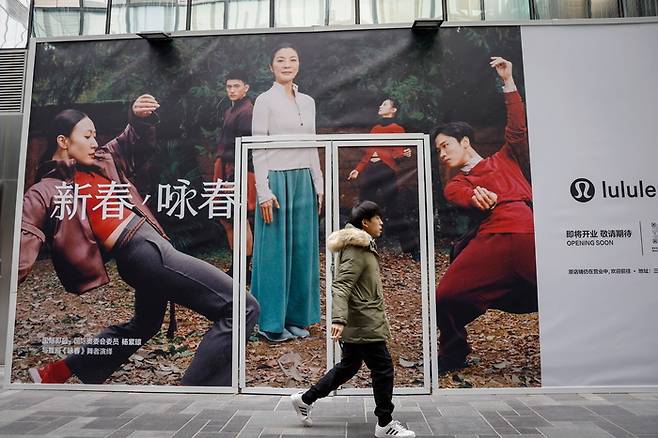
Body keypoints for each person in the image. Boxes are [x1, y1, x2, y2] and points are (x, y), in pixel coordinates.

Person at [19, 94, 260, 386]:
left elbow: (130, 141)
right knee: (242, 307)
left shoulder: (103, 160)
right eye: (87, 135)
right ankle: (197, 393)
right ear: (63, 141)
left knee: (143, 325)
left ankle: (57, 372)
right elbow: (25, 234)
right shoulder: (46, 189)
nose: (95, 142)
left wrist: (139, 117)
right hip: (143, 252)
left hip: (146, 251)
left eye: (95, 135)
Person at [432, 57, 538, 373]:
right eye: (437, 150)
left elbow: (517, 127)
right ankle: (453, 352)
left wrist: (508, 81)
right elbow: (463, 195)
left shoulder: (505, 158)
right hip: (492, 239)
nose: (442, 153)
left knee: (562, 289)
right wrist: (479, 197)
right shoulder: (457, 183)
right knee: (445, 295)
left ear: (465, 142)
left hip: (528, 232)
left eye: (445, 145)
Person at [289, 201, 415, 438]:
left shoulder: (363, 245)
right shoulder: (358, 248)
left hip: (362, 318)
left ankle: (305, 399)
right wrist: (338, 319)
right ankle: (384, 423)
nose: (382, 222)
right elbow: (341, 285)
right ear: (365, 222)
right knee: (383, 368)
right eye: (378, 218)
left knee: (349, 366)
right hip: (363, 320)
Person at [250, 43, 324, 342]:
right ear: (271, 67)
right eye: (280, 60)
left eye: (293, 59)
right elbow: (257, 147)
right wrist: (264, 191)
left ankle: (296, 317)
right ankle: (270, 322)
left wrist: (318, 184)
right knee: (273, 252)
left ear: (299, 65)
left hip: (303, 178)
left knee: (302, 249)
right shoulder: (264, 101)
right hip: (276, 180)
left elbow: (312, 144)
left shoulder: (308, 101)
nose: (287, 64)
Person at [347, 98, 418, 260]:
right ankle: (359, 248)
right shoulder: (375, 128)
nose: (380, 106)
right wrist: (358, 170)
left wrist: (406, 153)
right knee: (363, 210)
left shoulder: (397, 128)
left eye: (385, 104)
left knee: (395, 210)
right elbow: (368, 154)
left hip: (386, 170)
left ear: (393, 110)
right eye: (381, 104)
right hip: (370, 171)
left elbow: (397, 152)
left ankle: (413, 249)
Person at [213, 70, 256, 279]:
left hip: (239, 169)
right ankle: (236, 265)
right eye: (229, 86)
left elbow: (247, 148)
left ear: (246, 88)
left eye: (236, 86)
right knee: (226, 217)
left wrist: (235, 177)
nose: (232, 90)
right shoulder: (230, 110)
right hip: (226, 167)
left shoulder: (247, 111)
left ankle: (244, 269)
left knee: (241, 218)